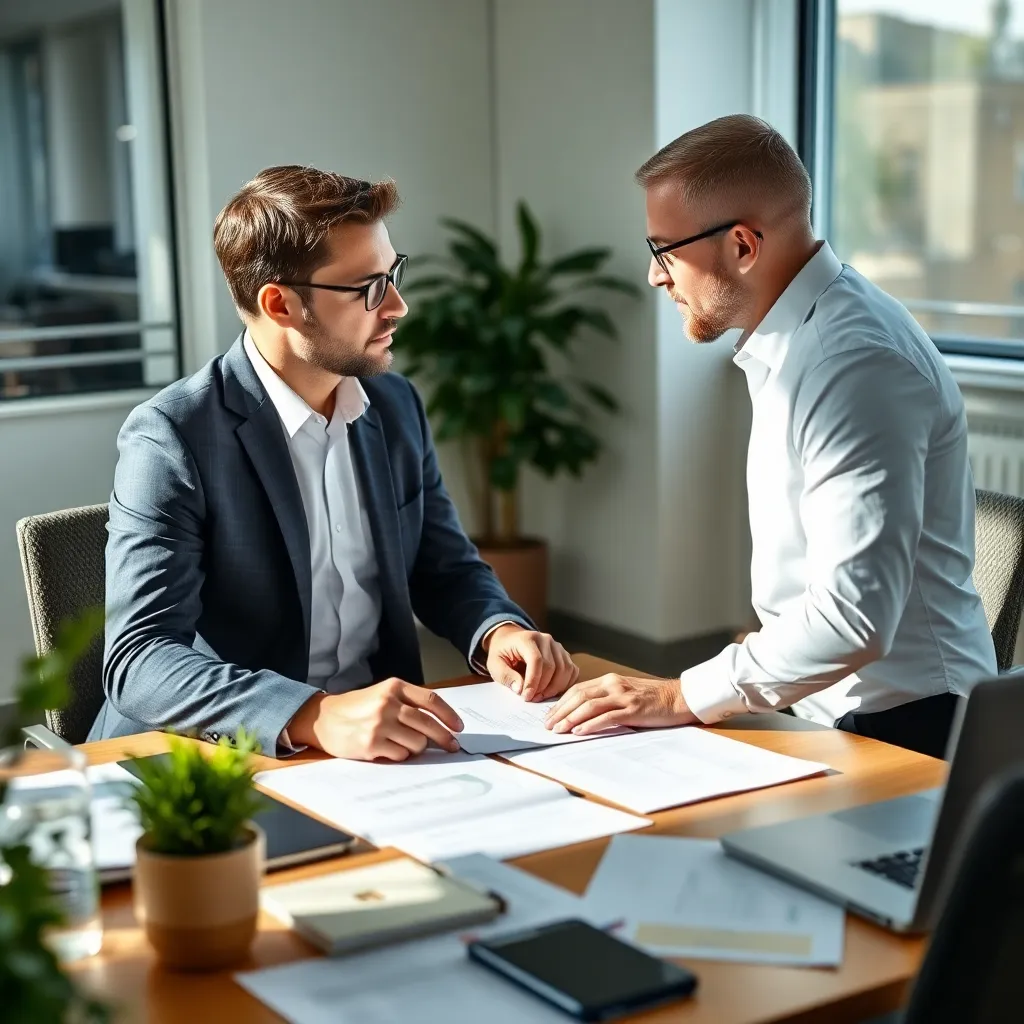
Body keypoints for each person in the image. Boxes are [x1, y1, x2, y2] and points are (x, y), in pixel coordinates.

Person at [545, 114, 997, 758]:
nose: (655, 276)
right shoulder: (794, 340)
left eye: (663, 251)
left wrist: (677, 695)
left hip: (912, 728)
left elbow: (853, 619)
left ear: (742, 246)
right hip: (821, 707)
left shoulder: (853, 362)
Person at [90, 165, 578, 759]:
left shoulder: (395, 405)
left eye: (394, 274)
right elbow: (140, 659)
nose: (398, 306)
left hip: (382, 752)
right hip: (223, 759)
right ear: (282, 304)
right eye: (369, 287)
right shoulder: (173, 435)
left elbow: (443, 566)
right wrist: (312, 714)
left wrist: (499, 630)